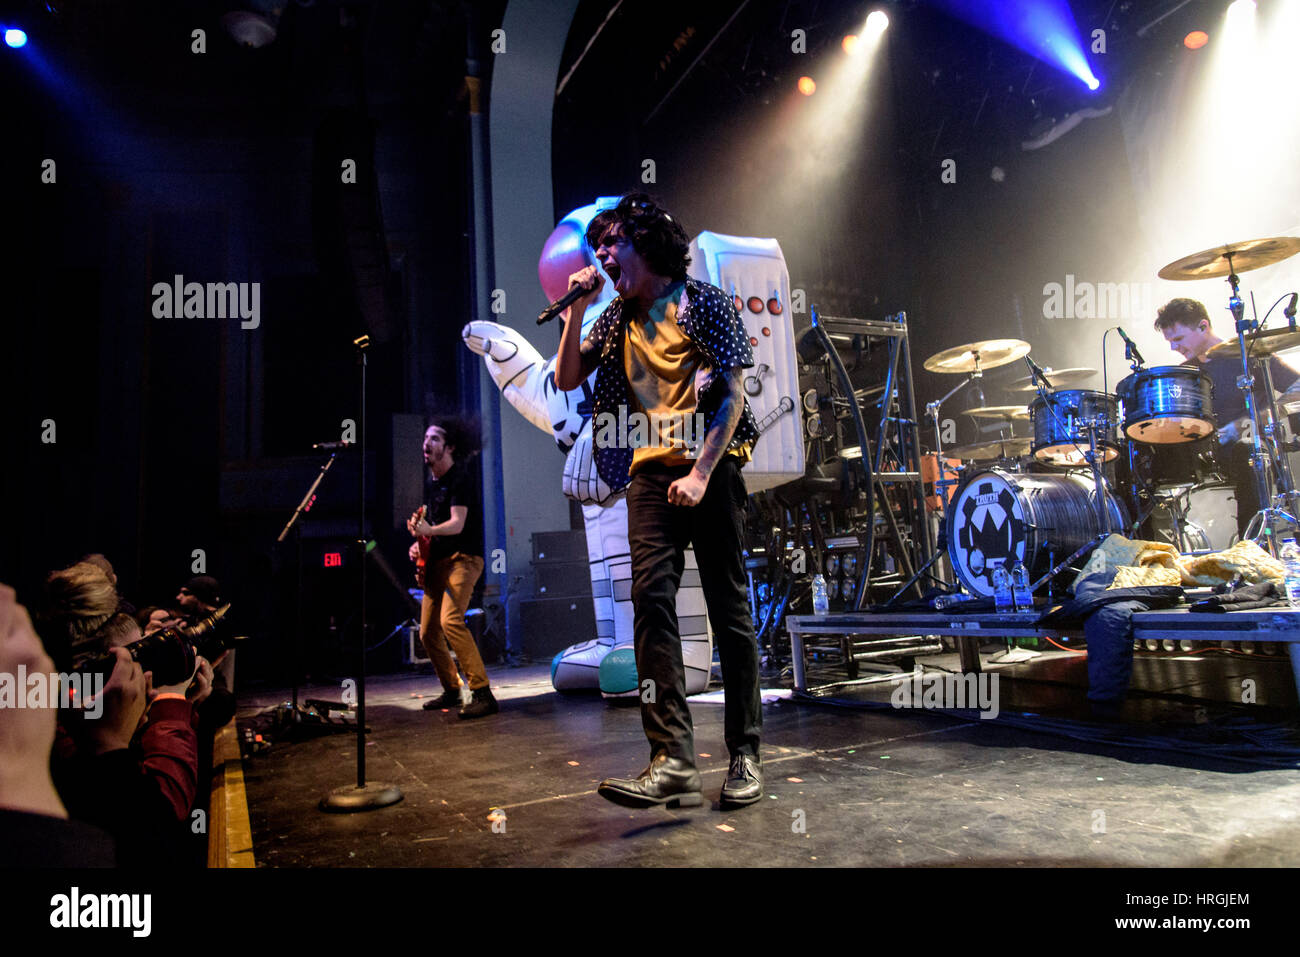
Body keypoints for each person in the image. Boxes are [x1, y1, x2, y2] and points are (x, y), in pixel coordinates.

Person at [555, 193, 764, 809]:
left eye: (613, 241)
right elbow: (567, 378)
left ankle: (745, 754)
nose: (602, 253)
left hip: (711, 468)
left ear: (646, 246)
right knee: (650, 603)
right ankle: (671, 759)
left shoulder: (704, 303)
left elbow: (732, 398)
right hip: (647, 476)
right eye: (598, 244)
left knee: (729, 610)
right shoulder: (615, 317)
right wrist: (573, 311)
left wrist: (701, 473)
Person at [1155, 298, 1300, 536]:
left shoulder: (1249, 355)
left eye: (1178, 339)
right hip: (1208, 456)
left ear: (1203, 326)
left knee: (1246, 451)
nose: (1173, 348)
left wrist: (1245, 424)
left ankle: (1251, 548)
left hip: (1254, 447)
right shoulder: (1187, 372)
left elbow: (1298, 388)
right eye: (1170, 342)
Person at [406, 416, 497, 719]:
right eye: (426, 438)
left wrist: (429, 531)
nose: (426, 444)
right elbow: (433, 531)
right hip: (439, 561)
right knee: (427, 633)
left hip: (464, 559)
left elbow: (457, 525)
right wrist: (419, 543)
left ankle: (482, 692)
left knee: (450, 621)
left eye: (434, 439)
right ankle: (452, 688)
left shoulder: (461, 477)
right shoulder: (432, 486)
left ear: (450, 447)